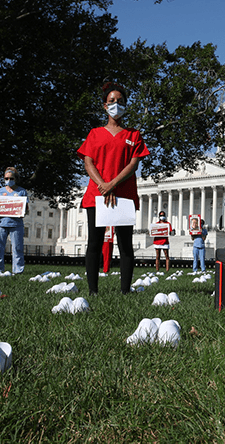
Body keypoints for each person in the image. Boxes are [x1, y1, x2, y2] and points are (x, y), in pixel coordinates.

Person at [78, 82, 149, 295]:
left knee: (125, 244)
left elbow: (133, 164)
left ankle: (125, 291)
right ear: (104, 106)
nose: (116, 105)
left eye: (120, 102)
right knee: (94, 243)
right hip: (97, 195)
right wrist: (102, 185)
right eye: (111, 102)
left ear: (126, 105)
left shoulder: (134, 135)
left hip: (123, 195)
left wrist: (112, 184)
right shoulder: (95, 134)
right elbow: (88, 162)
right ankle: (93, 290)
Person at [0, 167, 28, 275]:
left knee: (17, 248)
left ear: (15, 178)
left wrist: (22, 210)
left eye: (11, 178)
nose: (8, 180)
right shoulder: (0, 191)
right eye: (6, 178)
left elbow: (26, 208)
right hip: (1, 223)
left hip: (16, 224)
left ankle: (18, 270)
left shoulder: (22, 191)